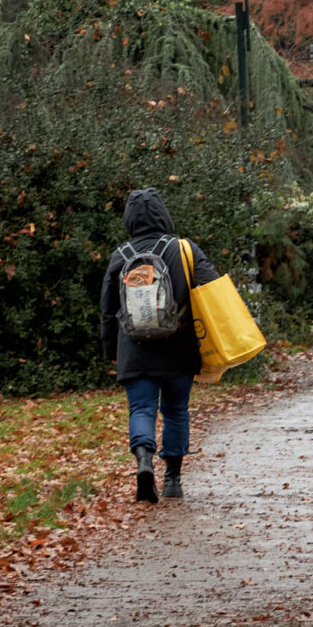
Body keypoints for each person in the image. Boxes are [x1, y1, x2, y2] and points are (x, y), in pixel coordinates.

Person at [100, 187, 219, 503]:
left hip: (134, 351)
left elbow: (107, 310)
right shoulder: (184, 250)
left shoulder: (120, 256)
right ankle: (173, 481)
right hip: (179, 347)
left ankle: (143, 462)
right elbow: (212, 289)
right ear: (163, 214)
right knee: (176, 410)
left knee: (141, 409)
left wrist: (111, 352)